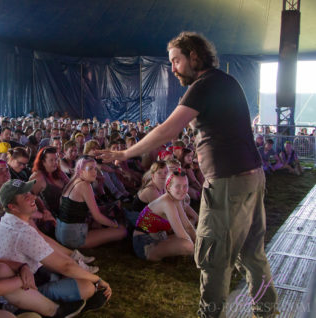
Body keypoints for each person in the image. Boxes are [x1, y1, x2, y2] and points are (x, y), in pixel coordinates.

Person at [97, 32, 277, 317]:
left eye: (176, 60)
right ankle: (267, 311)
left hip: (228, 182)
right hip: (251, 177)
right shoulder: (227, 81)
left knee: (214, 257)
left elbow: (168, 129)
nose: (173, 68)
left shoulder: (203, 85)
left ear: (195, 56)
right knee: (252, 254)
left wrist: (124, 154)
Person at [0, 179, 111, 313]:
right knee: (87, 287)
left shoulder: (10, 220)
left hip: (26, 280)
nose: (33, 197)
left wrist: (74, 264)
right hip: (19, 294)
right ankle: (34, 308)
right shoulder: (21, 231)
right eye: (25, 196)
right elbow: (65, 266)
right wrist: (98, 280)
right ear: (13, 206)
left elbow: (59, 260)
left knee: (77, 275)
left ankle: (68, 303)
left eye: (30, 192)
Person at [55, 156, 126, 249]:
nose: (94, 172)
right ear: (81, 171)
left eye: (95, 168)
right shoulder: (85, 185)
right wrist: (115, 225)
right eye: (90, 169)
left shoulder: (72, 182)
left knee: (104, 215)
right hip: (73, 238)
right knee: (122, 231)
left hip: (60, 234)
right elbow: (97, 217)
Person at [133, 170, 195, 261]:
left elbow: (188, 226)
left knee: (195, 235)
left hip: (160, 238)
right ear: (169, 188)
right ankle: (157, 255)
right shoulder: (167, 201)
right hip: (144, 243)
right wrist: (199, 248)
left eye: (185, 186)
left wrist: (198, 242)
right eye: (178, 186)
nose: (183, 190)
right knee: (188, 245)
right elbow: (182, 235)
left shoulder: (177, 199)